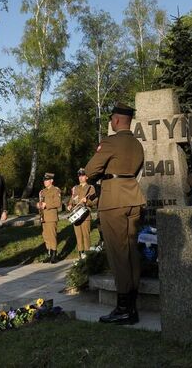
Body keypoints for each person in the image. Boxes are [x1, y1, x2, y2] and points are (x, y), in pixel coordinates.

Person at [85, 102, 145, 325]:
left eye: (111, 119)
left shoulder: (110, 142)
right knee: (131, 251)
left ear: (117, 120)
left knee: (118, 254)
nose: (111, 122)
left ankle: (123, 309)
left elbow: (91, 170)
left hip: (114, 201)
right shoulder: (137, 144)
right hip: (133, 198)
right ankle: (131, 306)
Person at [68, 168, 97, 259]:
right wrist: (69, 205)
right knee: (78, 236)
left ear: (86, 177)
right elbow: (72, 200)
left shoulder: (90, 188)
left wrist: (87, 201)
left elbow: (94, 201)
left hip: (85, 215)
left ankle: (88, 255)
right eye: (79, 176)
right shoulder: (75, 188)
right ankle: (80, 255)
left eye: (83, 176)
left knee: (86, 236)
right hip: (76, 215)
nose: (80, 178)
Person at [38, 173, 61, 263]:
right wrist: (38, 205)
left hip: (51, 216)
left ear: (51, 180)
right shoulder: (42, 191)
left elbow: (58, 203)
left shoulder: (55, 190)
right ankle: (49, 253)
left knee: (52, 236)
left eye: (47, 180)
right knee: (46, 236)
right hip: (44, 217)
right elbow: (41, 203)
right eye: (44, 180)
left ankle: (54, 255)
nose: (45, 182)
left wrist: (46, 205)